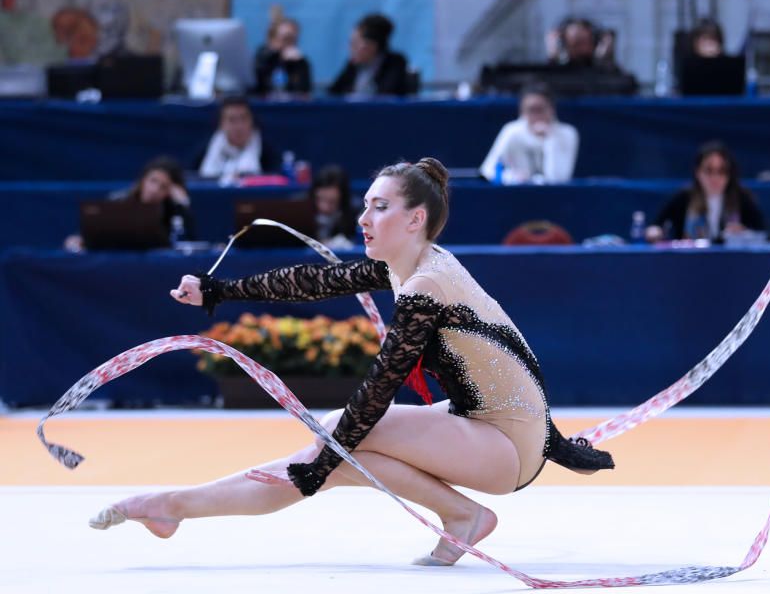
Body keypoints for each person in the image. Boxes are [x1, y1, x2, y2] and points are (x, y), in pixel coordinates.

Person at [89, 157, 613, 565]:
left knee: (336, 441)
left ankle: (174, 506)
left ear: (416, 219)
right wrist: (217, 290)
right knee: (338, 454)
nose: (362, 218)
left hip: (505, 445)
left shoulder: (429, 283)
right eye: (365, 205)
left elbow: (382, 384)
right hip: (488, 426)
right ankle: (173, 505)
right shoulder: (408, 266)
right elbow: (313, 282)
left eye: (378, 208)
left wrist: (317, 464)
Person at [64, 155, 195, 251]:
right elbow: (93, 232)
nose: (154, 190)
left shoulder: (174, 211)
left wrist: (182, 204)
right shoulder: (119, 201)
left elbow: (189, 242)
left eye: (163, 187)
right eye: (153, 181)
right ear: (143, 180)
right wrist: (78, 240)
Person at [646, 141, 766, 243]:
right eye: (709, 170)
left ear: (730, 174)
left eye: (721, 171)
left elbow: (767, 233)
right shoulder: (683, 198)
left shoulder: (741, 198)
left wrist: (746, 233)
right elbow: (656, 227)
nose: (715, 178)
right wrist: (655, 232)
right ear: (698, 172)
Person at [478, 83, 579, 184]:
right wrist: (511, 177)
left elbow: (557, 179)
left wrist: (550, 139)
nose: (536, 115)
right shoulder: (511, 131)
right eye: (530, 110)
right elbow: (487, 170)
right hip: (517, 195)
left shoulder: (568, 133)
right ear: (522, 111)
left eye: (540, 109)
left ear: (552, 109)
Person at [193, 96, 280, 181]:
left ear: (252, 121)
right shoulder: (206, 150)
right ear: (221, 124)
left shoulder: (267, 153)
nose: (239, 126)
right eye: (232, 120)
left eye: (243, 119)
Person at [328, 13, 410, 97]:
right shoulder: (352, 65)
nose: (350, 49)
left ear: (372, 45)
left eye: (354, 43)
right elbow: (333, 93)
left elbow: (386, 95)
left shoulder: (395, 62)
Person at [253, 15, 313, 96]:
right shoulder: (262, 59)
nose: (291, 44)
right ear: (272, 40)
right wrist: (275, 56)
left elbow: (304, 93)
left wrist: (299, 65)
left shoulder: (300, 62)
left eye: (294, 39)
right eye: (286, 39)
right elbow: (257, 87)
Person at [310, 164, 357, 248]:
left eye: (332, 202)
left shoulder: (355, 212)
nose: (324, 207)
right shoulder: (297, 208)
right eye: (319, 198)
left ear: (342, 199)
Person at [545, 17, 616, 68]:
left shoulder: (608, 75)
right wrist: (553, 58)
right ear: (563, 43)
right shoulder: (553, 74)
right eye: (576, 43)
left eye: (584, 42)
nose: (580, 48)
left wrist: (606, 58)